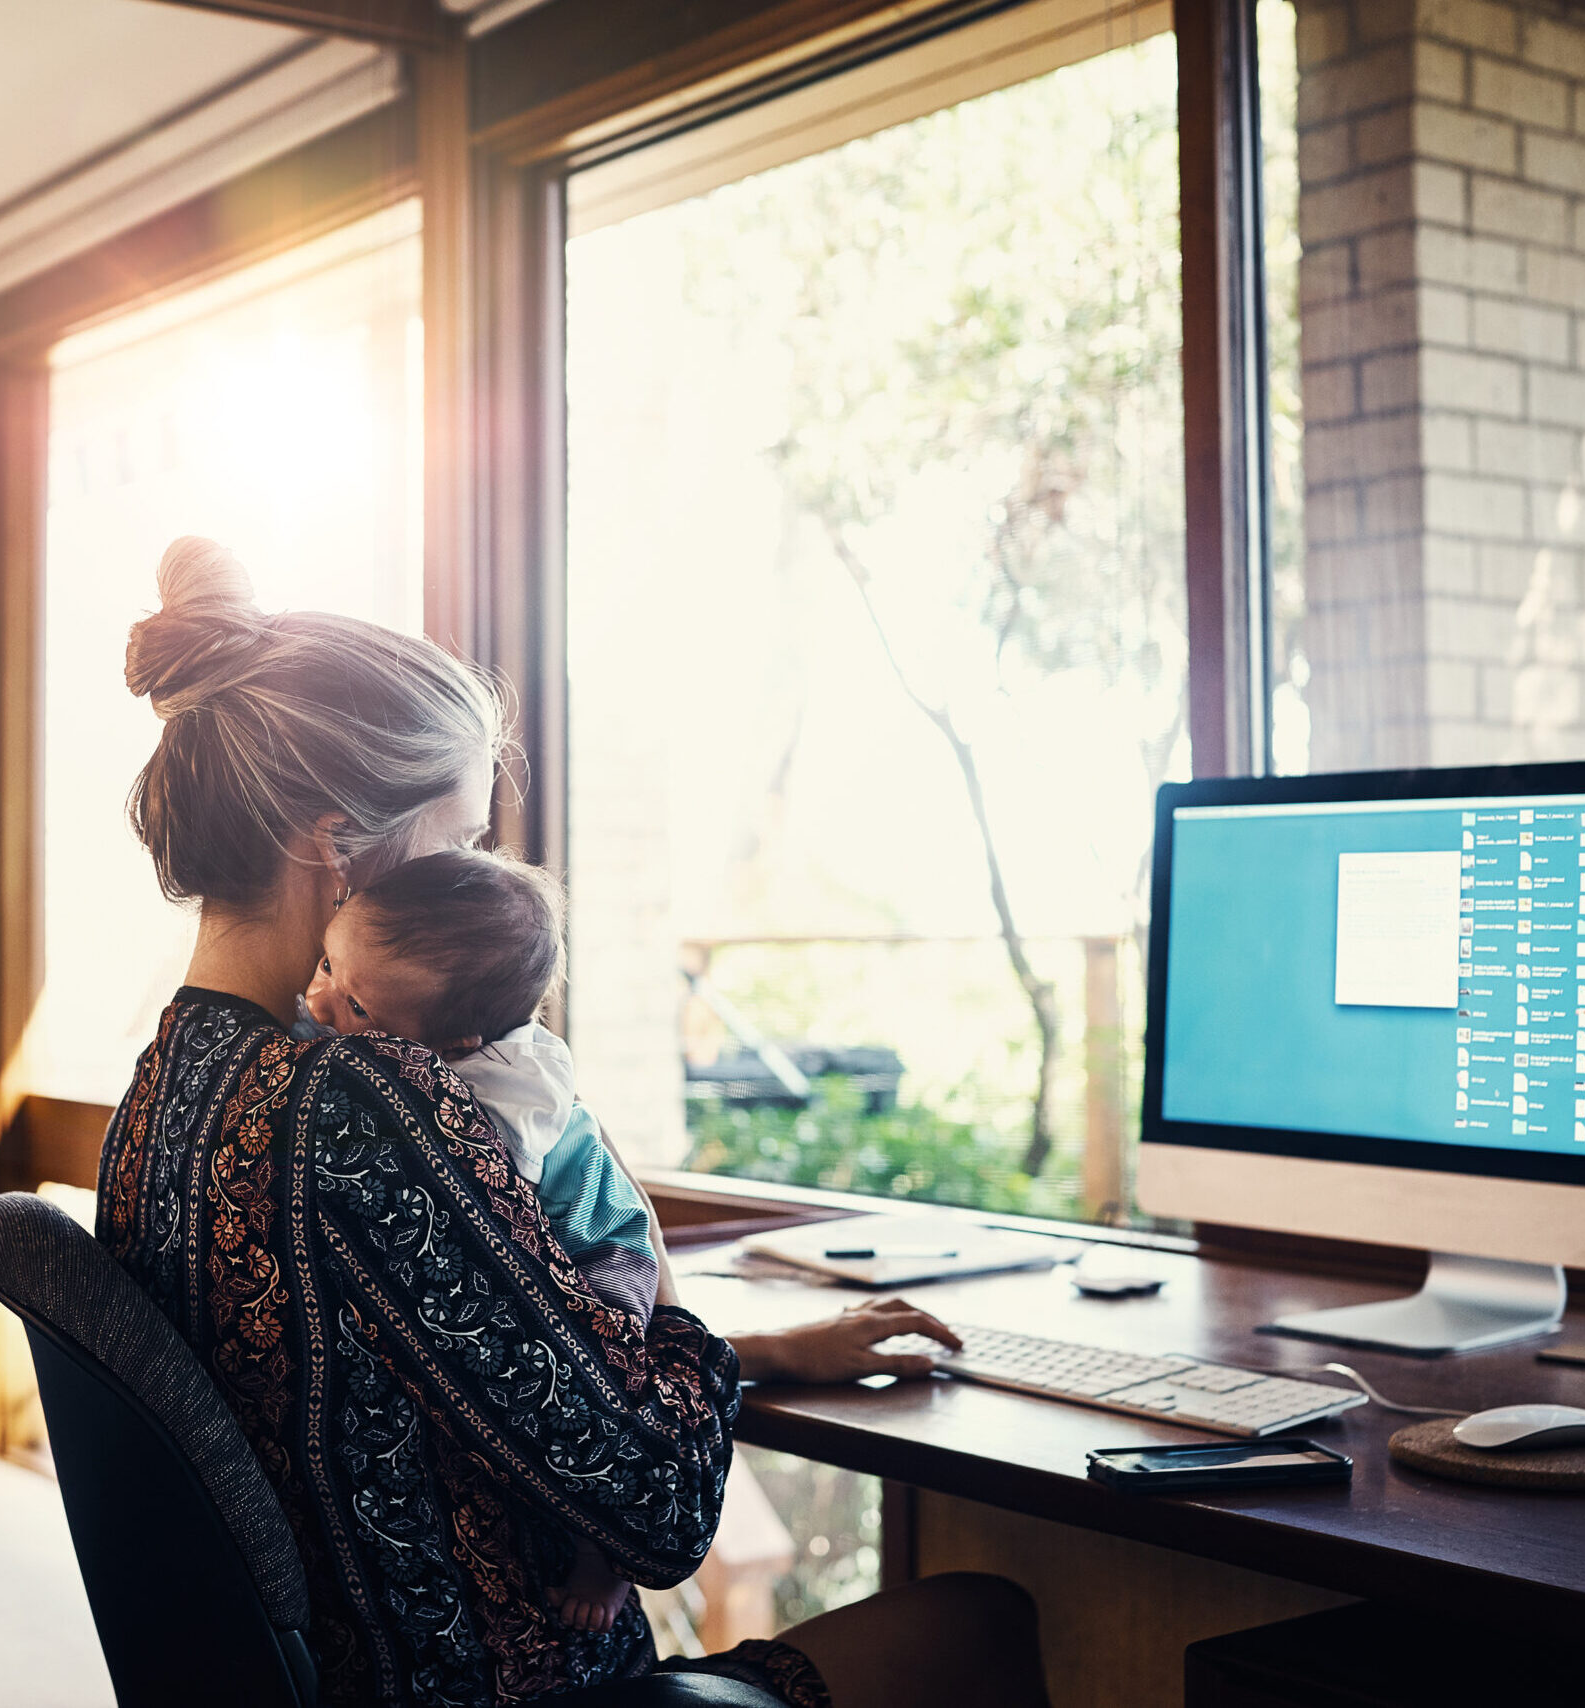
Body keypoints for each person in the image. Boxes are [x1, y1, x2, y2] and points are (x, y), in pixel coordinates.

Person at [94, 536, 1054, 1708]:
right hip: (508, 1693)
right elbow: (656, 1509)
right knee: (981, 1621)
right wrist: (687, 1334)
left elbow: (409, 1374)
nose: (469, 885)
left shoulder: (165, 1086)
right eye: (453, 845)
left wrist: (761, 1352)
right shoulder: (364, 1095)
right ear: (335, 846)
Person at [294, 845, 657, 1632]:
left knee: (609, 1376)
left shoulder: (503, 1097)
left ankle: (608, 1558)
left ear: (454, 1044)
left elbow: (495, 1203)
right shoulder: (406, 1030)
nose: (321, 1003)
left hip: (602, 1244)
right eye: (327, 964)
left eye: (356, 1010)